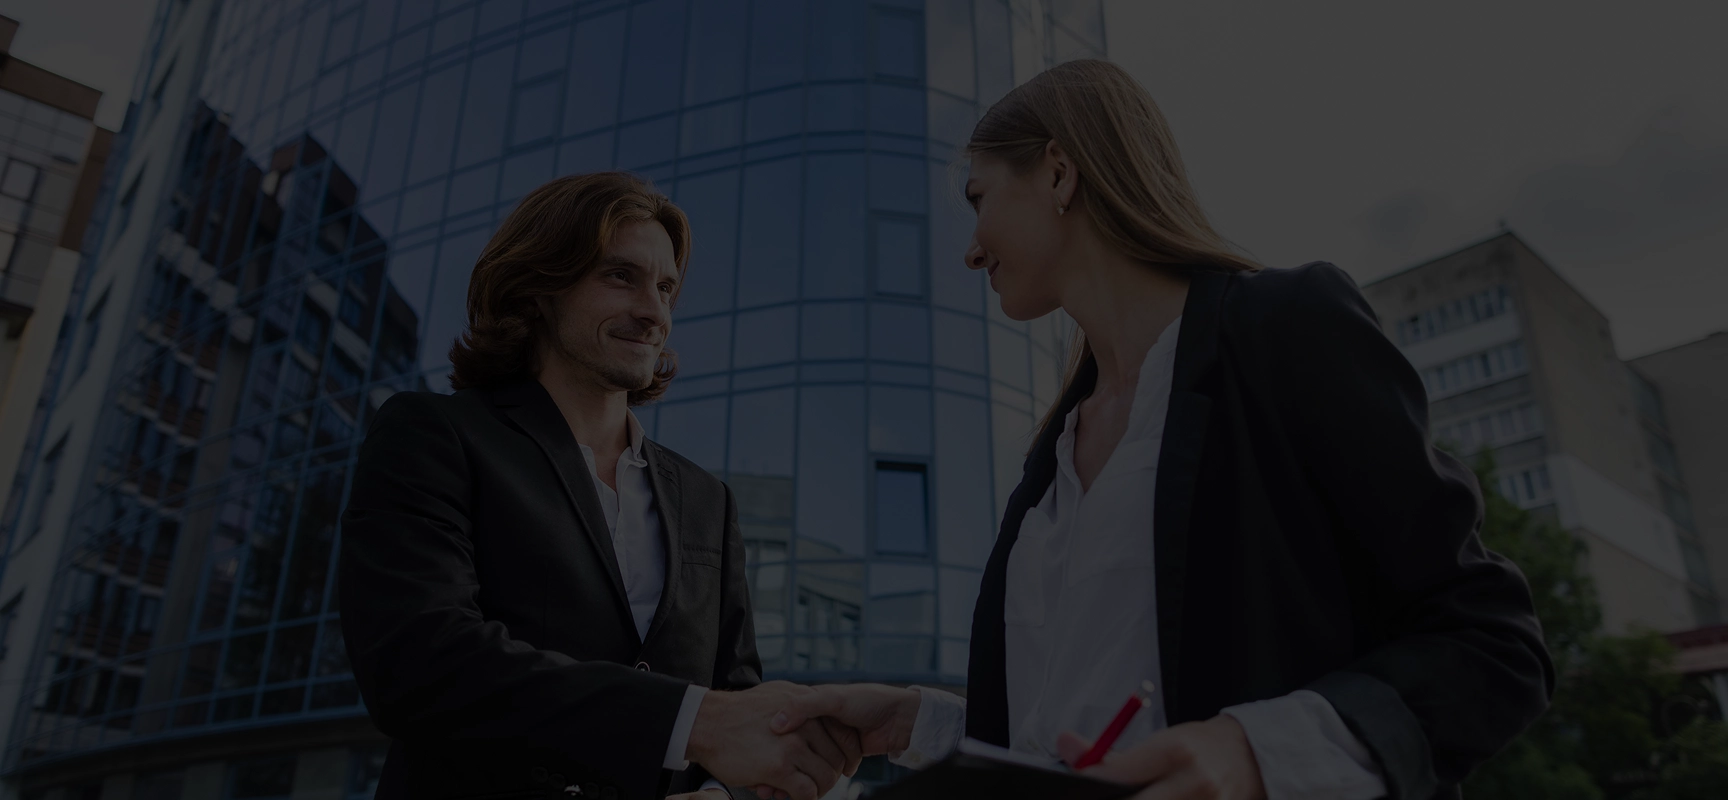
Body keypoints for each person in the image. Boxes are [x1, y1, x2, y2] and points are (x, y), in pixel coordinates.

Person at [765, 59, 1554, 800]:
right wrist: (920, 722)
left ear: (1058, 171)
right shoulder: (1054, 451)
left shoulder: (1284, 328)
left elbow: (1490, 644)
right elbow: (1080, 721)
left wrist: (1254, 752)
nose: (971, 251)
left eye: (979, 200)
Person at [339, 173, 860, 800]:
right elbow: (419, 664)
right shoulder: (434, 435)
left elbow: (739, 701)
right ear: (537, 287)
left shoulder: (707, 501)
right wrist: (695, 721)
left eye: (666, 287)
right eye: (621, 277)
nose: (654, 312)